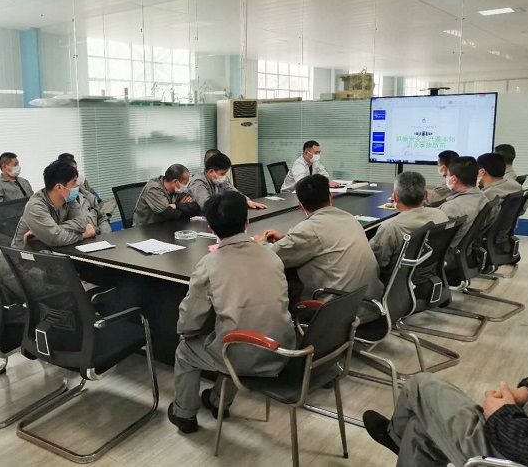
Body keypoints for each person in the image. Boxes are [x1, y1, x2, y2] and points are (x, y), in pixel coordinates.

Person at [168, 192, 296, 433]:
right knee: (235, 333)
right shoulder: (272, 255)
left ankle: (184, 414)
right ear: (247, 221)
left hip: (244, 355)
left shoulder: (209, 264)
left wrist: (185, 332)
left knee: (187, 351)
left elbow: (190, 318)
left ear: (210, 228)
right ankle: (218, 402)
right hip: (283, 348)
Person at [254, 174, 383, 323]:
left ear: (301, 206)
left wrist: (261, 242)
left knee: (287, 282)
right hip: (370, 304)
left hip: (339, 316)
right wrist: (285, 239)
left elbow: (271, 257)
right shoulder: (349, 218)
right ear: (330, 198)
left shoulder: (307, 230)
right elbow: (319, 242)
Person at [363, 372, 528, 467]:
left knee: (420, 384)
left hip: (517, 448)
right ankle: (399, 441)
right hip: (524, 424)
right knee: (421, 430)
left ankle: (395, 438)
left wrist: (503, 416)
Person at [11, 160, 110, 249]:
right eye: (74, 182)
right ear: (59, 187)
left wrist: (43, 233)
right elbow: (57, 238)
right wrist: (83, 235)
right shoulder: (36, 206)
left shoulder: (69, 199)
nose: (77, 185)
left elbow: (82, 222)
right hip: (27, 258)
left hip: (52, 251)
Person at [369, 172, 447, 282]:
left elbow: (376, 263)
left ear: (395, 197)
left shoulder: (391, 227)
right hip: (429, 275)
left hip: (397, 281)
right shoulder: (440, 215)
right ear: (425, 195)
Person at [188, 152, 267, 211]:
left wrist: (246, 200)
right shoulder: (198, 182)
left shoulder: (219, 179)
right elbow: (207, 205)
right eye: (222, 173)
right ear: (211, 172)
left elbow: (233, 191)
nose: (224, 176)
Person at [439, 156, 489, 246]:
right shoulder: (483, 198)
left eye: (448, 175)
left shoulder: (452, 207)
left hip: (449, 250)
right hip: (466, 248)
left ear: (453, 179)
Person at [133, 164, 201, 226]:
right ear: (175, 182)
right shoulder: (153, 189)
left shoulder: (178, 189)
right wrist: (183, 206)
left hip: (166, 226)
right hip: (146, 229)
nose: (186, 186)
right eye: (185, 183)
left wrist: (177, 206)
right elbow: (170, 214)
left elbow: (196, 206)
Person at [57, 152, 116, 217]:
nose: (76, 171)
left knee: (111, 201)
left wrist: (98, 201)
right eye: (73, 169)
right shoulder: (59, 184)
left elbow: (90, 191)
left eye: (76, 168)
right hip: (76, 211)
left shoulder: (80, 179)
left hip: (89, 207)